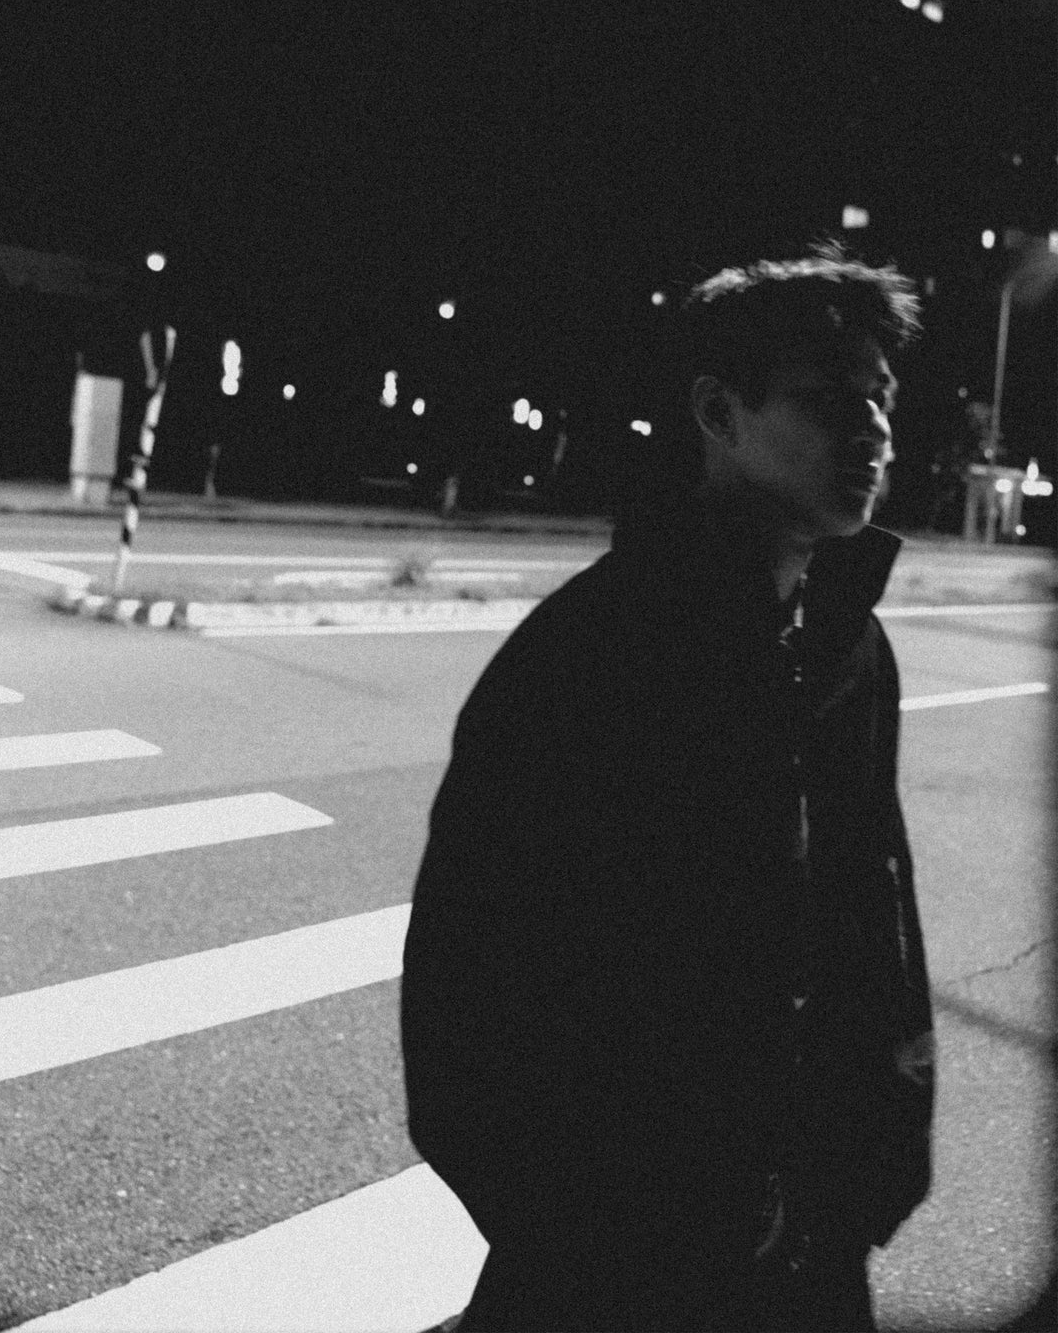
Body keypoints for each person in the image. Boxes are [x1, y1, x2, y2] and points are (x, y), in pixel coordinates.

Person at [400, 243, 935, 1332]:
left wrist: (879, 1154)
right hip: (623, 1269)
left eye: (881, 398)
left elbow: (874, 909)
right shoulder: (590, 654)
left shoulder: (850, 648)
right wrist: (595, 1233)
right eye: (828, 399)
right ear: (718, 413)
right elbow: (466, 1001)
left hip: (817, 1245)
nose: (873, 428)